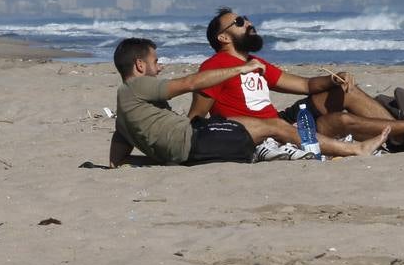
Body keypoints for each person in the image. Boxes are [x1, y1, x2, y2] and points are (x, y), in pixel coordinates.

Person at [191, 8, 404, 152]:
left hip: (282, 120)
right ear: (223, 37)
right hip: (270, 134)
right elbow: (197, 118)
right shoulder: (214, 68)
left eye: (247, 18)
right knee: (340, 121)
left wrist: (336, 79)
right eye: (239, 21)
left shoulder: (257, 64)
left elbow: (306, 86)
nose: (248, 22)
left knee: (346, 93)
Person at [109, 38, 386, 168]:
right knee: (276, 126)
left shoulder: (124, 111)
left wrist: (162, 157)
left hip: (192, 146)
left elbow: (117, 160)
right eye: (156, 62)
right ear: (139, 65)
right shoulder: (138, 85)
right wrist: (239, 69)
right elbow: (190, 83)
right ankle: (355, 149)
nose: (159, 67)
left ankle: (342, 143)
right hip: (195, 141)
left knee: (267, 125)